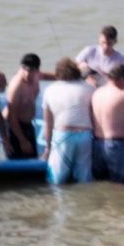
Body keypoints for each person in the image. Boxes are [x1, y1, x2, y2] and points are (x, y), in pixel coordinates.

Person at [41, 57, 95, 185]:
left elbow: (48, 123)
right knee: (84, 178)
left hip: (63, 136)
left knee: (56, 180)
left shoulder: (50, 90)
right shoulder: (89, 88)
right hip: (85, 135)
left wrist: (48, 147)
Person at [4, 53, 43, 159]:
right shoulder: (16, 86)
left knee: (33, 158)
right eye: (24, 70)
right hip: (15, 128)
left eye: (30, 71)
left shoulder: (36, 76)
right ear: (21, 67)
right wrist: (22, 141)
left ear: (37, 70)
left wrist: (64, 76)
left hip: (28, 125)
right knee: (19, 160)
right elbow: (12, 117)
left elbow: (46, 75)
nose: (26, 74)